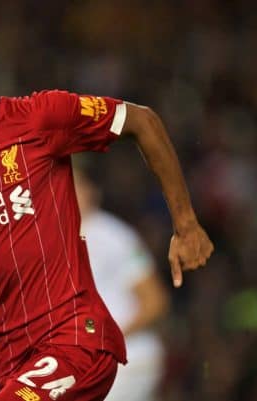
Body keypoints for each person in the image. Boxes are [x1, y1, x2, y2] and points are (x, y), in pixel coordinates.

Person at [0, 14, 214, 401]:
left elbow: (142, 121)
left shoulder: (39, 118)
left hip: (76, 340)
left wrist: (186, 225)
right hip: (7, 361)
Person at [74, 163, 169, 401]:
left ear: (92, 191)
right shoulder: (63, 238)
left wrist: (109, 341)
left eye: (73, 184)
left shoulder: (112, 235)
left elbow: (155, 301)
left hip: (129, 361)